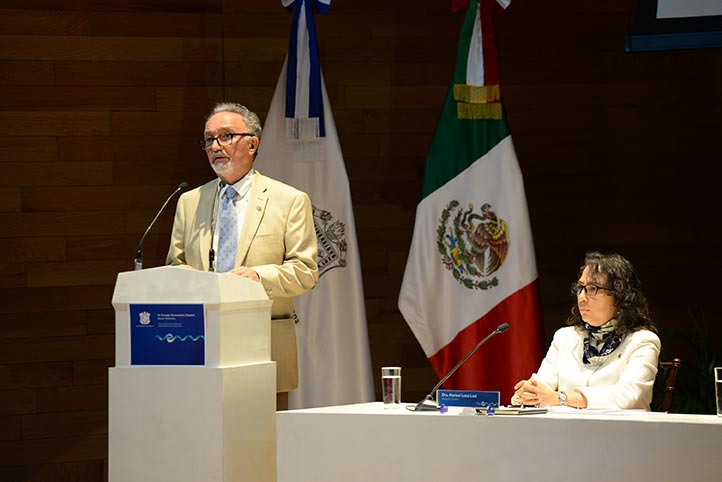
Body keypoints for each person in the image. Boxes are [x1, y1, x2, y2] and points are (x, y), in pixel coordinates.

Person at [166, 102, 319, 409]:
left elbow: (305, 270)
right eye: (209, 140)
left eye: (226, 136)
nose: (215, 147)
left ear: (252, 144)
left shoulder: (289, 200)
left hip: (262, 346)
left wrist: (258, 276)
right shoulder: (189, 201)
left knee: (263, 448)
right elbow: (175, 267)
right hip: (199, 348)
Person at [512, 251, 660, 410]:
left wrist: (561, 398)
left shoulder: (643, 341)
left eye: (592, 288)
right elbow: (541, 387)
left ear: (620, 296)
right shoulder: (565, 337)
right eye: (580, 288)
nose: (582, 297)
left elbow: (628, 397)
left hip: (621, 432)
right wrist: (527, 393)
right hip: (566, 431)